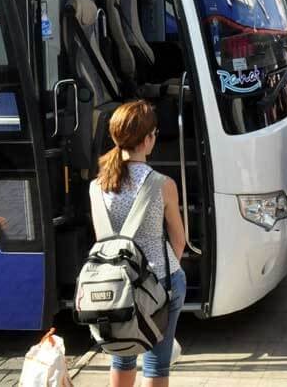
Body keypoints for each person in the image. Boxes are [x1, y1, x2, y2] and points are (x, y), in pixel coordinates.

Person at [92, 100, 187, 387]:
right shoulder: (162, 184)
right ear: (148, 139)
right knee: (157, 363)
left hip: (115, 286)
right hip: (160, 282)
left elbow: (102, 241)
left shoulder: (97, 186)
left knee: (121, 357)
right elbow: (179, 240)